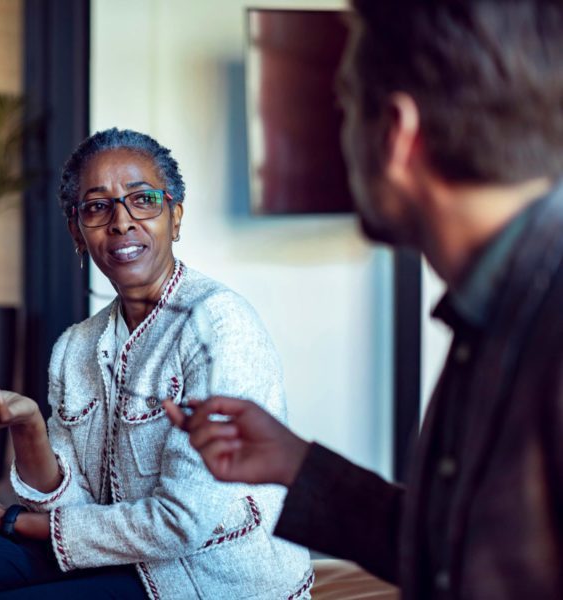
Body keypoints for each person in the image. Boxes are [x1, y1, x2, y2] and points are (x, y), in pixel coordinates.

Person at [166, 0, 563, 598]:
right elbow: (462, 555)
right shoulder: (496, 306)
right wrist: (298, 465)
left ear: (398, 134)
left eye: (346, 107)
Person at [0, 128, 312, 599]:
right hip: (113, 560)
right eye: (97, 206)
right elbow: (74, 505)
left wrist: (7, 520)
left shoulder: (219, 327)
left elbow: (181, 523)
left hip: (208, 579)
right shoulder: (76, 348)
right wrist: (28, 425)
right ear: (76, 231)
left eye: (143, 200)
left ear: (176, 216)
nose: (122, 222)